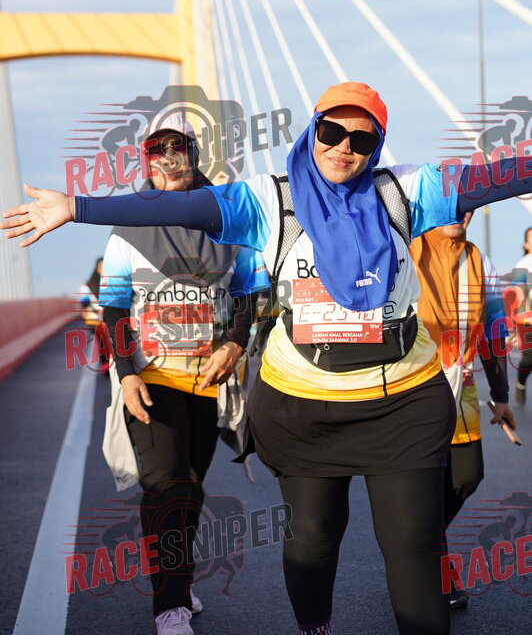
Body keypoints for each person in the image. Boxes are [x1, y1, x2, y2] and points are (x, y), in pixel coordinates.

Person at [3, 82, 530, 635]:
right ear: (312, 130)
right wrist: (77, 207)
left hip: (402, 396)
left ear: (376, 145)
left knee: (414, 546)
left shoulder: (406, 191)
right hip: (303, 402)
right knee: (313, 541)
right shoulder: (269, 200)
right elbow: (179, 204)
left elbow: (498, 177)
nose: (343, 147)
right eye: (331, 131)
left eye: (361, 138)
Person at [99, 111, 268, 635]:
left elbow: (249, 293)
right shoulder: (128, 225)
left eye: (178, 149)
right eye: (158, 151)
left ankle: (179, 578)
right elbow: (114, 307)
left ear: (194, 156)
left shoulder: (229, 221)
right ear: (146, 161)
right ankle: (169, 606)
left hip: (207, 379)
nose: (168, 160)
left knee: (191, 488)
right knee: (166, 486)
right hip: (151, 379)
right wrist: (127, 373)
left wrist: (234, 343)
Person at [410, 212, 516, 609]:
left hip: (463, 383)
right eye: (450, 204)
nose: (460, 213)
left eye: (468, 205)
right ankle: (435, 572)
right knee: (426, 482)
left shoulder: (479, 260)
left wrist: (501, 395)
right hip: (412, 385)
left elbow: (494, 329)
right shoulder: (405, 249)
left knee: (468, 475)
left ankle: (414, 547)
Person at [509, 226, 532, 404]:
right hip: (527, 318)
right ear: (526, 244)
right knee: (529, 359)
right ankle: (521, 383)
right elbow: (518, 292)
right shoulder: (522, 264)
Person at [78, 256, 109, 372]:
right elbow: (84, 304)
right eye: (101, 266)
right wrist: (86, 318)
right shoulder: (87, 285)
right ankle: (105, 364)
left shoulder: (113, 282)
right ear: (97, 267)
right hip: (95, 320)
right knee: (102, 342)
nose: (103, 269)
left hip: (110, 318)